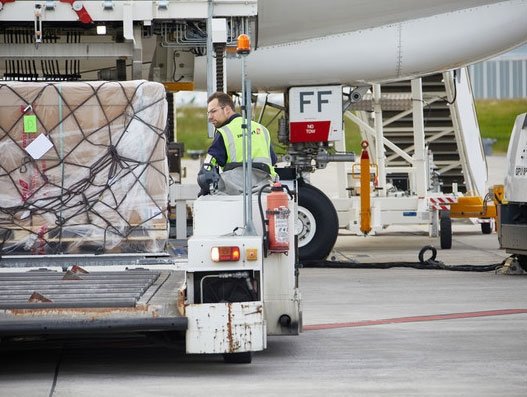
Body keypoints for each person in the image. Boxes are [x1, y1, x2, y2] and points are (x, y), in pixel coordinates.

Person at [198, 92, 278, 195]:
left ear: (227, 109)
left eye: (213, 111)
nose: (209, 117)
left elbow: (207, 170)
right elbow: (273, 160)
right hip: (266, 189)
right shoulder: (262, 129)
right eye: (208, 113)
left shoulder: (224, 132)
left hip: (237, 192)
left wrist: (203, 191)